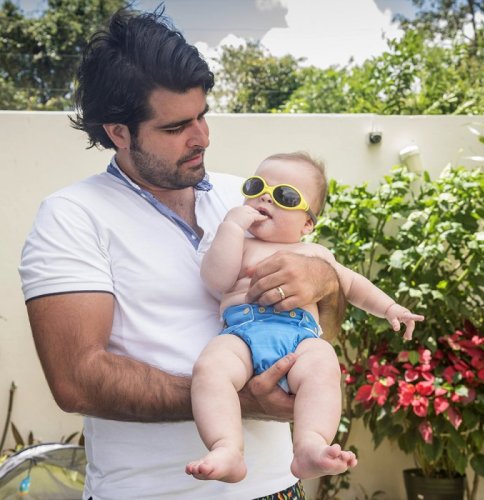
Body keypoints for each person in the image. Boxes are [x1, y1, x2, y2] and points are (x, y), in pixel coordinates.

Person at [18, 8, 345, 500]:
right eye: (175, 128)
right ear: (118, 132)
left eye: (202, 115)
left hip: (279, 487)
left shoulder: (250, 196)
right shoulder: (71, 216)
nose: (202, 138)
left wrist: (324, 281)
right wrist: (238, 398)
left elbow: (324, 324)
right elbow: (77, 380)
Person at [186, 152, 424, 483]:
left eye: (284, 195)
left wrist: (390, 308)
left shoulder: (315, 254)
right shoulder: (239, 244)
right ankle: (226, 447)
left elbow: (352, 284)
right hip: (241, 332)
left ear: (307, 224)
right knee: (210, 369)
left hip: (299, 338)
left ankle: (310, 445)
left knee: (323, 366)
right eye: (256, 187)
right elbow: (216, 279)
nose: (265, 197)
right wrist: (231, 227)